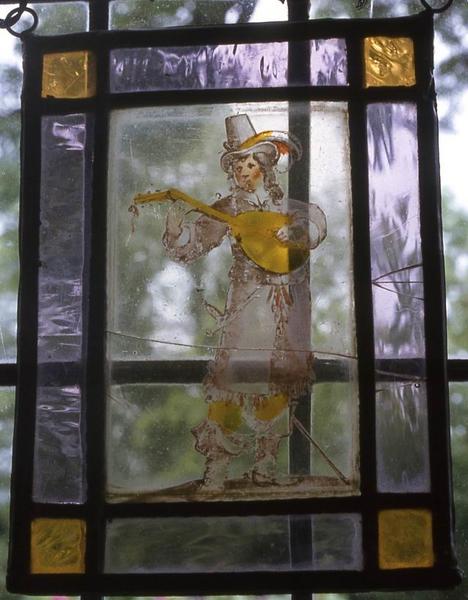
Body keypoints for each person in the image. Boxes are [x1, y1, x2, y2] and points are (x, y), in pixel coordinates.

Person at [162, 114, 327, 492]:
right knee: (232, 386)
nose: (244, 170)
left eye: (251, 163)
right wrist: (176, 232)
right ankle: (217, 469)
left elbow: (316, 221)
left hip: (286, 307)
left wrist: (298, 231)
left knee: (278, 385)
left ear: (266, 168)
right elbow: (197, 241)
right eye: (239, 164)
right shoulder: (229, 209)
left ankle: (265, 464)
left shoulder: (287, 205)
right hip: (246, 307)